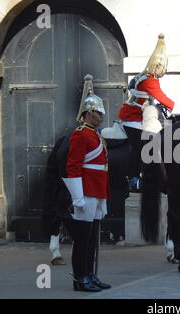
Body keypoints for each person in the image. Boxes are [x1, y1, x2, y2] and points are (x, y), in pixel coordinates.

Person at [118, 34, 180, 192]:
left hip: (139, 115)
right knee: (140, 144)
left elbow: (151, 99)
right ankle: (133, 178)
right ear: (156, 67)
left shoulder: (144, 76)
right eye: (163, 68)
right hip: (132, 118)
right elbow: (166, 100)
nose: (165, 71)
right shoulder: (150, 80)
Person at [62, 81, 111, 292]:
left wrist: (105, 197)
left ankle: (90, 274)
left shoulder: (95, 134)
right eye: (99, 113)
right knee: (82, 240)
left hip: (98, 191)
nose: (102, 117)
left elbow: (102, 167)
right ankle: (80, 278)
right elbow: (73, 166)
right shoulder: (80, 135)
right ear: (89, 113)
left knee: (92, 239)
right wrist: (77, 197)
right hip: (86, 192)